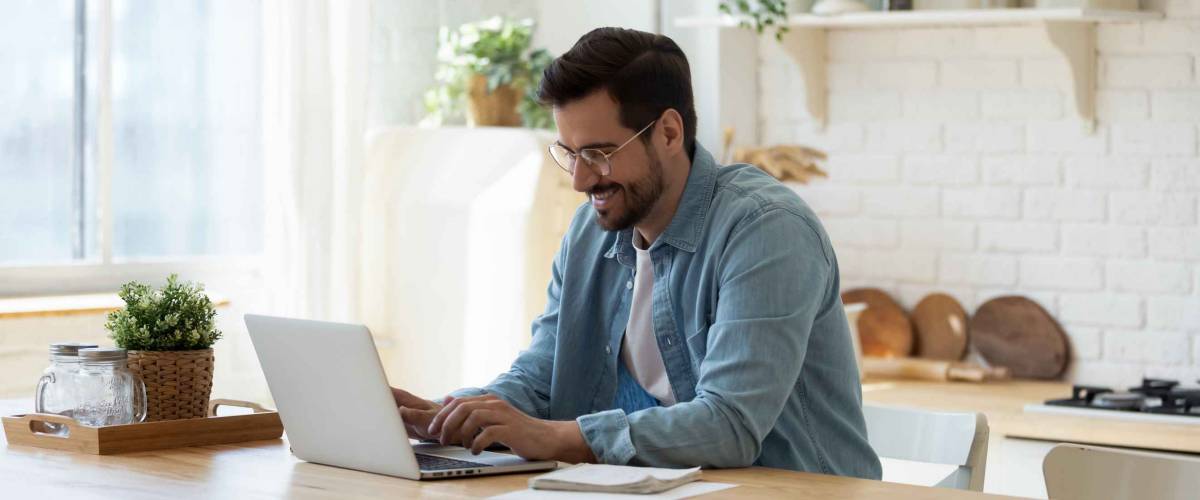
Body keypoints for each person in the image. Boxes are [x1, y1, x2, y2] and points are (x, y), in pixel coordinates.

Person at [392, 27, 881, 479]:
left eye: (598, 153)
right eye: (569, 153)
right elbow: (544, 375)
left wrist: (555, 437)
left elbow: (730, 423)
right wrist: (451, 414)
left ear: (668, 133)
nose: (581, 180)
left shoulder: (765, 230)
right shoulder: (591, 231)